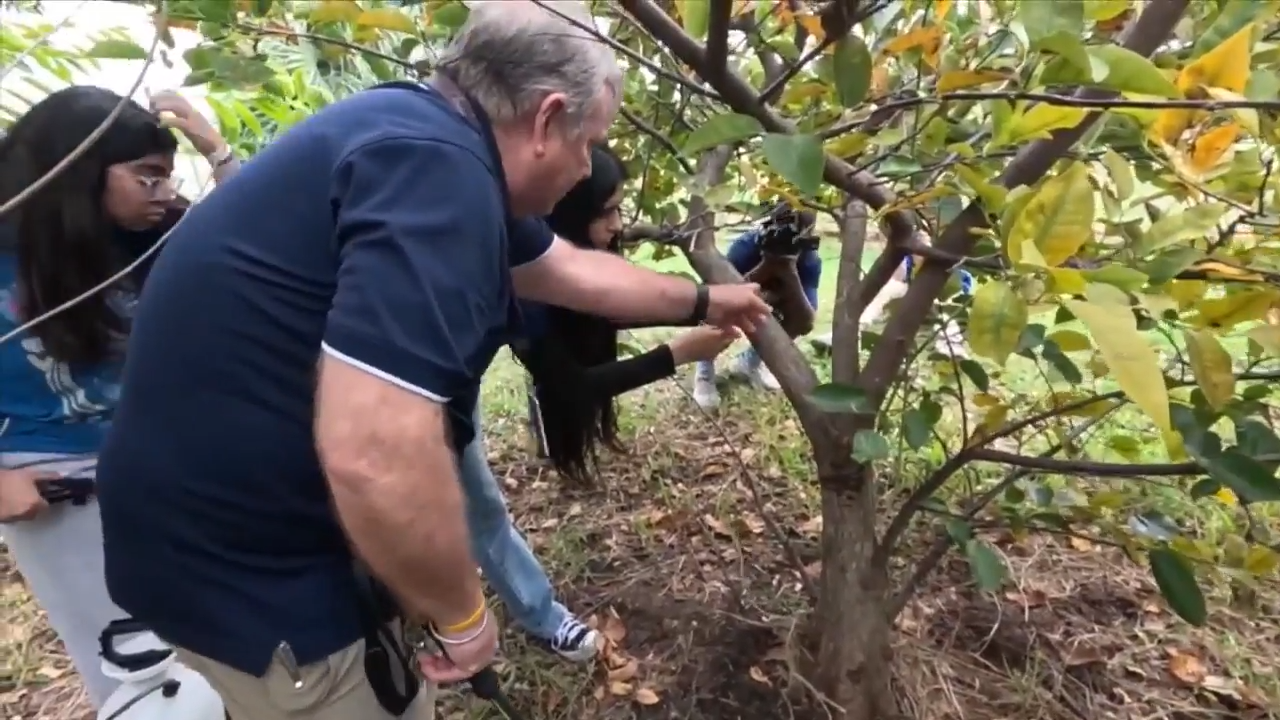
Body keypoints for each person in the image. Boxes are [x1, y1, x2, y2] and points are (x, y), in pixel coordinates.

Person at [92, 3, 770, 719]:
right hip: (257, 575)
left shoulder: (421, 131)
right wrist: (462, 615)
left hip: (191, 534)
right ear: (546, 119)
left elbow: (563, 270)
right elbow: (378, 454)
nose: (583, 168)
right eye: (588, 142)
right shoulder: (439, 179)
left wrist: (704, 301)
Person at [0, 85, 236, 710]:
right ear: (79, 176)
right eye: (146, 177)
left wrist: (216, 149)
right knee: (129, 663)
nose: (163, 194)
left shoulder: (146, 239)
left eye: (167, 176)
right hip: (55, 491)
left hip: (157, 469)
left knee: (213, 648)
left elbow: (255, 246)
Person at [463, 144, 737, 662]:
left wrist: (698, 309)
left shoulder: (555, 266)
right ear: (569, 213)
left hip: (453, 378)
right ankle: (543, 617)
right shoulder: (526, 282)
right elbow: (569, 387)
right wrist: (677, 353)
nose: (618, 224)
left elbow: (604, 311)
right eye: (606, 211)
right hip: (411, 390)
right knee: (481, 512)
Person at [694, 203, 822, 409]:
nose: (789, 238)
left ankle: (749, 362)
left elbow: (806, 322)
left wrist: (789, 271)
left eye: (801, 234)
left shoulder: (809, 260)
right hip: (740, 300)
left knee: (798, 318)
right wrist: (765, 266)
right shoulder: (745, 247)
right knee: (714, 310)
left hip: (770, 306)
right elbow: (714, 298)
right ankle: (704, 372)